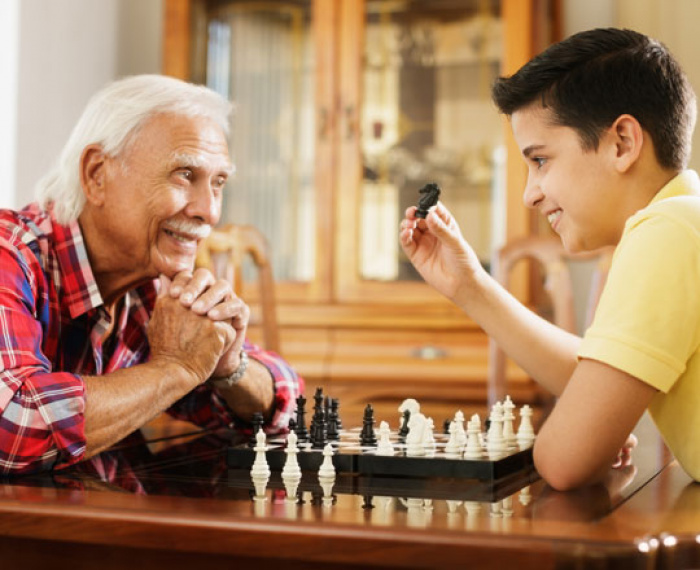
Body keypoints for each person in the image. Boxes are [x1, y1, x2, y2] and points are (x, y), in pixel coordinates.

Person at [400, 28, 700, 490]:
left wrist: (580, 431)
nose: (528, 194)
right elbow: (594, 381)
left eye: (540, 160)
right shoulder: (684, 220)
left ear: (622, 142)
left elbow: (563, 461)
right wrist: (470, 286)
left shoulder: (665, 233)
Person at [0, 74, 304, 475]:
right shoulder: (11, 255)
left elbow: (288, 400)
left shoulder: (153, 283)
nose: (210, 211)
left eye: (218, 183)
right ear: (96, 174)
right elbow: (13, 428)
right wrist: (176, 369)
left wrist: (230, 368)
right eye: (184, 174)